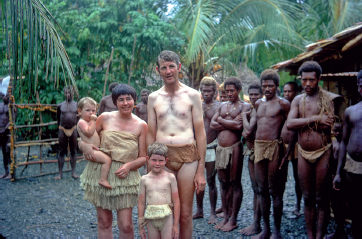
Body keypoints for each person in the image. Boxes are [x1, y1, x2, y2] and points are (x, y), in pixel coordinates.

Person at [147, 50, 206, 239]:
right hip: (162, 155)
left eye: (172, 66)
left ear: (179, 67)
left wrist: (201, 170)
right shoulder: (153, 98)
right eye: (164, 67)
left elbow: (200, 132)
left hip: (187, 155)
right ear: (158, 70)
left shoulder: (192, 95)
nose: (168, 71)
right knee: (165, 211)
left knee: (186, 213)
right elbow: (150, 132)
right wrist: (149, 162)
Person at [79, 84, 147, 238]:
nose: (125, 103)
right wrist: (83, 146)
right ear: (115, 102)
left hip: (125, 176)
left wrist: (129, 166)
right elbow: (85, 139)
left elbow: (144, 157)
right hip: (101, 171)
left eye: (128, 99)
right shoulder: (104, 118)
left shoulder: (141, 125)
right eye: (120, 100)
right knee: (104, 221)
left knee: (126, 225)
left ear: (134, 100)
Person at [287, 61, 334, 239]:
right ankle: (310, 235)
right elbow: (290, 124)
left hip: (323, 152)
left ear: (319, 79)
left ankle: (320, 236)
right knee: (307, 196)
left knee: (321, 197)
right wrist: (315, 118)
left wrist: (306, 122)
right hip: (303, 153)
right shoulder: (298, 100)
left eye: (311, 80)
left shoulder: (327, 99)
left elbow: (328, 125)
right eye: (304, 80)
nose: (307, 84)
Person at [242, 69, 290, 238]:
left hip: (275, 148)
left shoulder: (283, 104)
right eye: (264, 86)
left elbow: (289, 130)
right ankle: (266, 229)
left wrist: (286, 152)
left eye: (270, 86)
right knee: (261, 189)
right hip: (259, 147)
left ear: (277, 86)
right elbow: (252, 127)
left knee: (274, 191)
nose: (267, 89)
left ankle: (276, 230)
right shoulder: (258, 104)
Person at [211, 76, 250, 232]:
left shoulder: (244, 106)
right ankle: (226, 217)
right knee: (223, 182)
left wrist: (221, 120)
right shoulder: (222, 105)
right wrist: (229, 122)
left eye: (232, 90)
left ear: (239, 90)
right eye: (226, 91)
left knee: (235, 182)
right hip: (221, 149)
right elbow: (213, 125)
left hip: (235, 147)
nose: (229, 93)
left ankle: (233, 219)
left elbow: (239, 126)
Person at [333, 69, 362, 239]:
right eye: (361, 86)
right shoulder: (351, 111)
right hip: (353, 167)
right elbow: (344, 142)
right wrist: (338, 172)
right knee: (356, 206)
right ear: (358, 87)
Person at [138, 142, 180, 239]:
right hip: (150, 216)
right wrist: (141, 226)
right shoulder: (144, 179)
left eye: (161, 160)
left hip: (167, 217)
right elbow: (141, 203)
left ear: (166, 161)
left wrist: (175, 225)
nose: (157, 163)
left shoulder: (170, 178)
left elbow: (176, 201)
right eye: (154, 160)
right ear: (148, 159)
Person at [193, 76, 220, 224]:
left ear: (214, 92)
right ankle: (199, 210)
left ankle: (213, 213)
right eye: (204, 91)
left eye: (209, 91)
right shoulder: (197, 106)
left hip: (212, 146)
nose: (206, 93)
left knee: (210, 180)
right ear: (200, 91)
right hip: (196, 148)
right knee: (198, 180)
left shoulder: (218, 106)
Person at [239, 83, 263, 236]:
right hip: (251, 152)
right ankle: (256, 222)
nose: (253, 97)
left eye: (256, 94)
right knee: (255, 189)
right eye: (251, 95)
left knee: (261, 190)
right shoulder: (252, 109)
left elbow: (247, 131)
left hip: (260, 152)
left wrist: (242, 116)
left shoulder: (258, 109)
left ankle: (258, 224)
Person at [77, 97, 112, 189]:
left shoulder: (88, 122)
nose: (91, 113)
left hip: (95, 149)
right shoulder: (82, 122)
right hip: (92, 151)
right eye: (88, 110)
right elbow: (89, 133)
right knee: (107, 160)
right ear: (80, 112)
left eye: (93, 111)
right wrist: (93, 120)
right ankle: (103, 179)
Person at [280, 81, 302, 216]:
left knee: (298, 176)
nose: (287, 94)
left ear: (296, 92)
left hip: (296, 145)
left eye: (290, 91)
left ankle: (298, 205)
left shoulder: (299, 106)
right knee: (280, 176)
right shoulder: (282, 105)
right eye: (285, 91)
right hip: (282, 144)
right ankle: (280, 204)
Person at [55, 86, 78, 180]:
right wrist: (60, 128)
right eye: (66, 93)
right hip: (62, 129)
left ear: (73, 93)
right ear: (63, 93)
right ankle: (60, 173)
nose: (68, 94)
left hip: (74, 128)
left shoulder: (77, 105)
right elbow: (58, 118)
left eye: (70, 93)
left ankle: (73, 172)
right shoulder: (60, 106)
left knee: (73, 151)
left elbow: (79, 118)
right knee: (61, 151)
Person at [0, 93, 11, 179]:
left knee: (8, 151)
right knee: (3, 152)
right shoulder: (0, 105)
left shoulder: (12, 106)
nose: (4, 97)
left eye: (6, 96)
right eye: (3, 95)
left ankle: (11, 172)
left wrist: (5, 128)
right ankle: (6, 172)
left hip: (8, 132)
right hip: (0, 131)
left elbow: (12, 120)